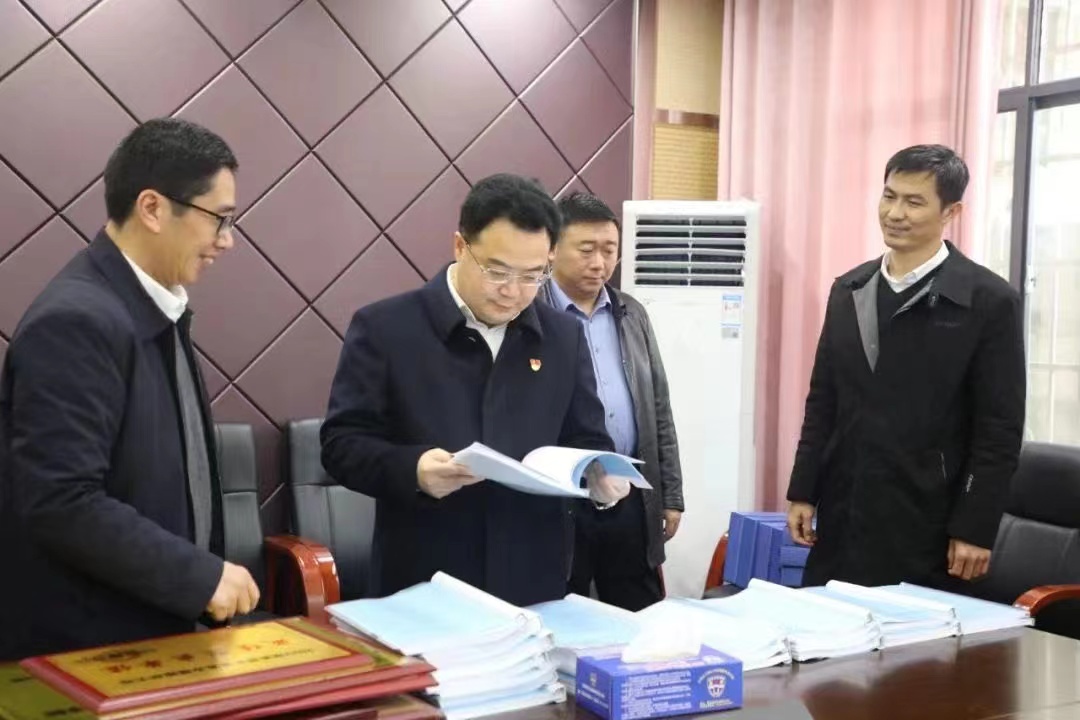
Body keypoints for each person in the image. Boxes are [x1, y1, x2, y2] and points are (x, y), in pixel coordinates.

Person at [0, 118, 259, 660]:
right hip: (90, 654)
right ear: (153, 208)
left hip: (154, 634)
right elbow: (62, 501)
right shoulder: (76, 321)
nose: (227, 240)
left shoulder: (154, 305)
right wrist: (197, 576)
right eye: (219, 218)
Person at [321, 174, 630, 607]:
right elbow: (341, 445)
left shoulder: (562, 336)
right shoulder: (387, 328)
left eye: (533, 276)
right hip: (424, 579)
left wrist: (598, 474)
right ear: (459, 246)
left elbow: (586, 436)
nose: (512, 292)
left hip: (532, 581)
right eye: (497, 272)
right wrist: (413, 469)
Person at [786, 144, 1026, 589]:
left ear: (951, 212)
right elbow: (823, 401)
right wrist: (803, 489)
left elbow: (999, 430)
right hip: (845, 511)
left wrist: (974, 526)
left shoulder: (988, 301)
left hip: (928, 520)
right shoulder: (850, 289)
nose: (895, 213)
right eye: (889, 196)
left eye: (914, 202)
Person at [542, 191, 684, 611]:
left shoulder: (631, 312)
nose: (599, 263)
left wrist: (670, 494)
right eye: (586, 250)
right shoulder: (532, 314)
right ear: (552, 249)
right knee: (561, 613)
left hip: (630, 493)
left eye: (609, 250)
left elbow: (658, 407)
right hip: (562, 498)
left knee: (641, 615)